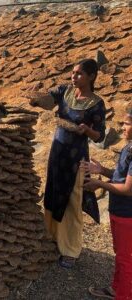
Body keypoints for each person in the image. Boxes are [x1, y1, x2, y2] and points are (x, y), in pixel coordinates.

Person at [26, 58, 106, 268]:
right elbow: (45, 102)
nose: (74, 76)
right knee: (53, 193)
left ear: (91, 76)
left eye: (79, 73)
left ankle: (70, 249)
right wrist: (34, 96)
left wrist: (87, 130)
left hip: (76, 158)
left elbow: (100, 136)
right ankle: (52, 239)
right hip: (58, 152)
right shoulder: (64, 91)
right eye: (73, 72)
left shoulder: (96, 103)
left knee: (72, 200)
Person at [83, 109, 132, 300]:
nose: (122, 127)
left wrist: (98, 184)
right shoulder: (129, 148)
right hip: (118, 211)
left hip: (127, 215)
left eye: (127, 123)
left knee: (125, 259)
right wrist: (101, 170)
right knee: (120, 254)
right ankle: (116, 289)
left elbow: (128, 189)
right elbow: (120, 176)